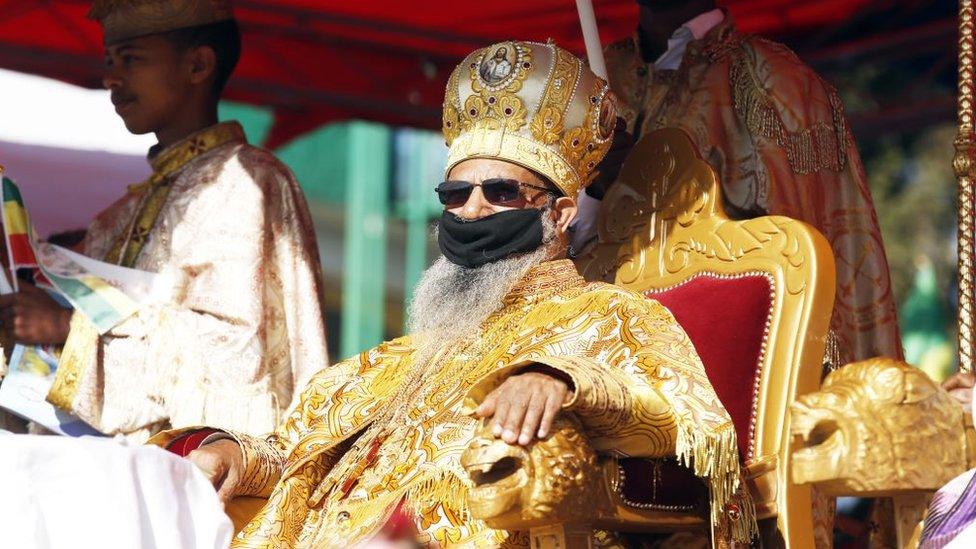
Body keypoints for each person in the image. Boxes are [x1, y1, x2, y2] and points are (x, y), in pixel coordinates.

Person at [155, 41, 756, 548]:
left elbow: (682, 422)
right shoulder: (401, 359)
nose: (472, 211)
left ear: (561, 212)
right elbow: (301, 454)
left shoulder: (609, 316)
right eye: (454, 195)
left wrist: (560, 381)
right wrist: (233, 453)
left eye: (501, 193)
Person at [0, 0, 329, 441]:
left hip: (202, 471)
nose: (111, 78)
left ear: (198, 65)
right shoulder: (117, 217)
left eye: (131, 59)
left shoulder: (248, 182)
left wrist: (64, 328)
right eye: (109, 61)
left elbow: (238, 353)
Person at [589, 0, 901, 366]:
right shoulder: (594, 80)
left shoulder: (769, 78)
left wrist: (648, 180)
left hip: (721, 353)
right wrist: (592, 181)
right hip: (601, 340)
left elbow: (789, 247)